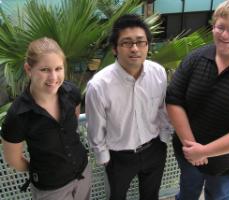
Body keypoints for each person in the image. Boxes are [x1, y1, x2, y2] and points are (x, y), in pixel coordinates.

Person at [166, 0, 229, 200]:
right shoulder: (195, 59)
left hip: (227, 165)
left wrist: (204, 151)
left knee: (219, 197)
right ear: (213, 27)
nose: (224, 34)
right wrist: (192, 148)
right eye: (220, 27)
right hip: (188, 155)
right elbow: (173, 100)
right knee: (187, 193)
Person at [85, 14, 170, 200]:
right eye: (126, 43)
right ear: (115, 48)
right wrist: (104, 159)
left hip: (154, 148)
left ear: (148, 45)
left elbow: (162, 110)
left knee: (151, 196)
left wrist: (163, 139)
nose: (135, 48)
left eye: (141, 42)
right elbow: (95, 127)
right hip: (118, 157)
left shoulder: (158, 73)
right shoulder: (99, 85)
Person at [1, 37, 91, 200]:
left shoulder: (71, 92)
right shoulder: (18, 115)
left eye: (58, 68)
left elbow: (74, 121)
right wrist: (40, 170)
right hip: (51, 188)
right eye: (45, 70)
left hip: (83, 172)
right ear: (29, 69)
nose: (53, 77)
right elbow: (13, 159)